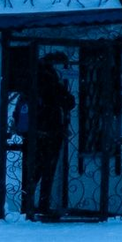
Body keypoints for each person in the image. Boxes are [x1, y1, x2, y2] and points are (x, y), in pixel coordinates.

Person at [27, 52, 75, 219]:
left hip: (38, 130)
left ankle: (29, 203)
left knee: (37, 168)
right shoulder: (48, 78)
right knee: (46, 168)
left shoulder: (35, 75)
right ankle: (41, 204)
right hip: (50, 130)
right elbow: (66, 101)